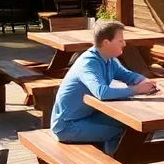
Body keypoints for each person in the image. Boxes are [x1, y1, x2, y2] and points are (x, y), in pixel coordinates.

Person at [50, 21, 157, 155]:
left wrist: (144, 81)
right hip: (68, 126)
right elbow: (101, 92)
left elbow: (126, 75)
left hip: (88, 116)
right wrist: (137, 90)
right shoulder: (88, 64)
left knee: (133, 127)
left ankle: (125, 157)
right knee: (121, 132)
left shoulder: (107, 59)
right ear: (106, 42)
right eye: (120, 41)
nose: (124, 44)